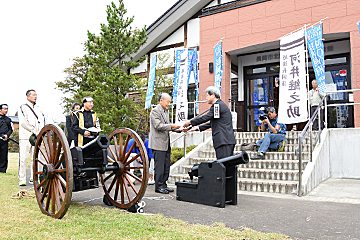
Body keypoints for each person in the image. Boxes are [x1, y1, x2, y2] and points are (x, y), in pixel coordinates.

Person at [183, 86, 236, 160]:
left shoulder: (217, 105)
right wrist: (198, 127)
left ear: (213, 95)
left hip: (223, 140)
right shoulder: (219, 104)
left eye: (207, 95)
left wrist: (190, 122)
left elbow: (206, 117)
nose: (206, 98)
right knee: (227, 165)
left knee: (224, 165)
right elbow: (213, 122)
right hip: (226, 140)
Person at [149, 93, 180, 194]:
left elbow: (167, 127)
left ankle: (164, 185)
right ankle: (158, 186)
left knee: (166, 166)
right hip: (158, 144)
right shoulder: (155, 111)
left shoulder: (165, 112)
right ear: (161, 100)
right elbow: (158, 126)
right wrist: (172, 126)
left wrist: (180, 129)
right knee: (159, 166)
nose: (169, 104)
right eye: (168, 102)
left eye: (170, 102)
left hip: (166, 143)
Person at [18, 90, 45, 186]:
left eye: (36, 95)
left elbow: (41, 120)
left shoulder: (39, 108)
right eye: (33, 95)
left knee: (35, 157)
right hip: (26, 135)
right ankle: (22, 178)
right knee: (23, 158)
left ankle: (33, 177)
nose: (35, 97)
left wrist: (40, 131)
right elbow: (23, 122)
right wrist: (33, 130)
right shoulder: (23, 107)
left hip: (36, 136)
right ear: (28, 96)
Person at [0, 104, 13, 173]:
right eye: (4, 109)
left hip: (4, 140)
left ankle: (2, 170)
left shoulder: (8, 120)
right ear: (0, 110)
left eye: (6, 109)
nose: (6, 110)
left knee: (4, 155)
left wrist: (7, 135)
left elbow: (11, 129)